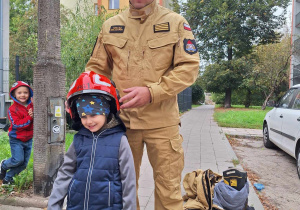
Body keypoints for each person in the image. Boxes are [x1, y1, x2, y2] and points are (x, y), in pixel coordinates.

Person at [85, 0, 200, 209]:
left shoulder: (175, 23)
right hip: (122, 124)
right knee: (121, 190)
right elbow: (96, 70)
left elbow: (189, 68)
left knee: (169, 193)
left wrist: (152, 92)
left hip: (163, 123)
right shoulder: (111, 26)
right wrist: (84, 102)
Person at [48, 72, 136, 210]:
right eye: (83, 116)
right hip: (76, 205)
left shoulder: (120, 141)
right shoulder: (79, 140)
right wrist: (54, 205)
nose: (88, 121)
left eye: (93, 114)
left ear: (106, 111)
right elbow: (65, 173)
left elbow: (128, 181)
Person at [0, 81, 34, 186]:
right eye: (19, 93)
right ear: (14, 94)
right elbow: (17, 124)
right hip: (17, 139)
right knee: (17, 160)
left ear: (29, 94)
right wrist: (29, 117)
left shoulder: (32, 106)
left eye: (25, 92)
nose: (23, 95)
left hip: (28, 139)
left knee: (23, 164)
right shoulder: (12, 109)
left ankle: (8, 178)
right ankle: (4, 165)